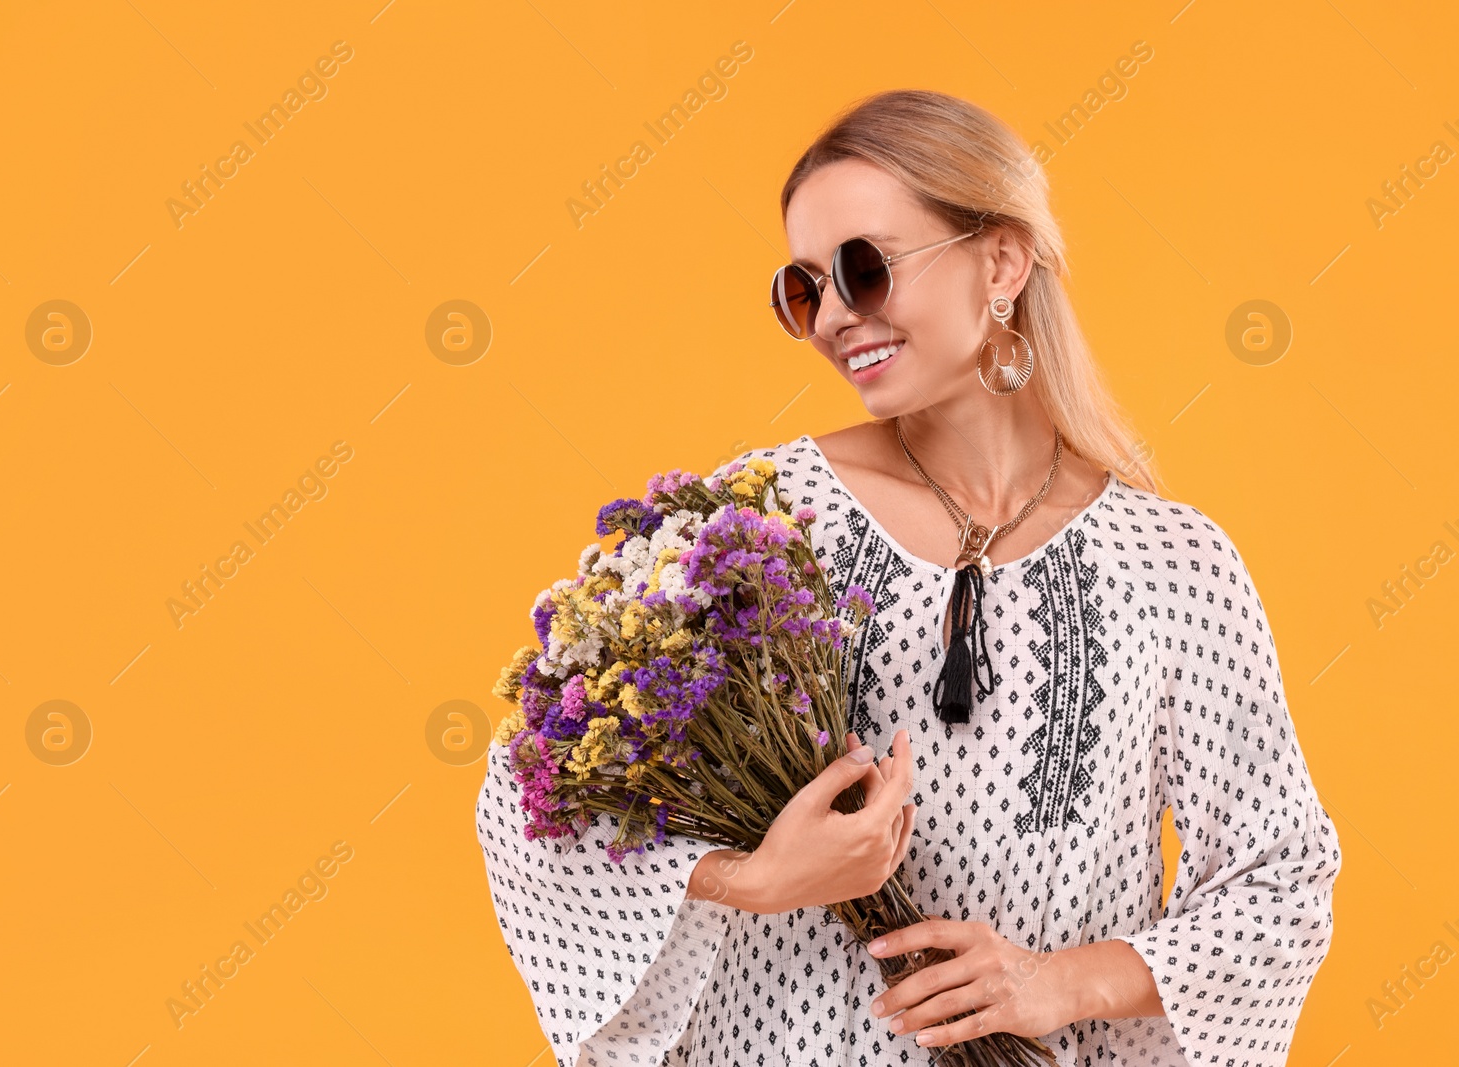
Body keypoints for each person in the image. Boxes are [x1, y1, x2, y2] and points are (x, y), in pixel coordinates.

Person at [474, 88, 1341, 1066]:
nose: (835, 318)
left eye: (864, 268)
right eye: (804, 288)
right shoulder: (758, 520)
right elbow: (531, 789)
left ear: (1001, 261)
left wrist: (1054, 981)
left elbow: (1281, 883)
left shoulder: (1172, 563)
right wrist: (749, 876)